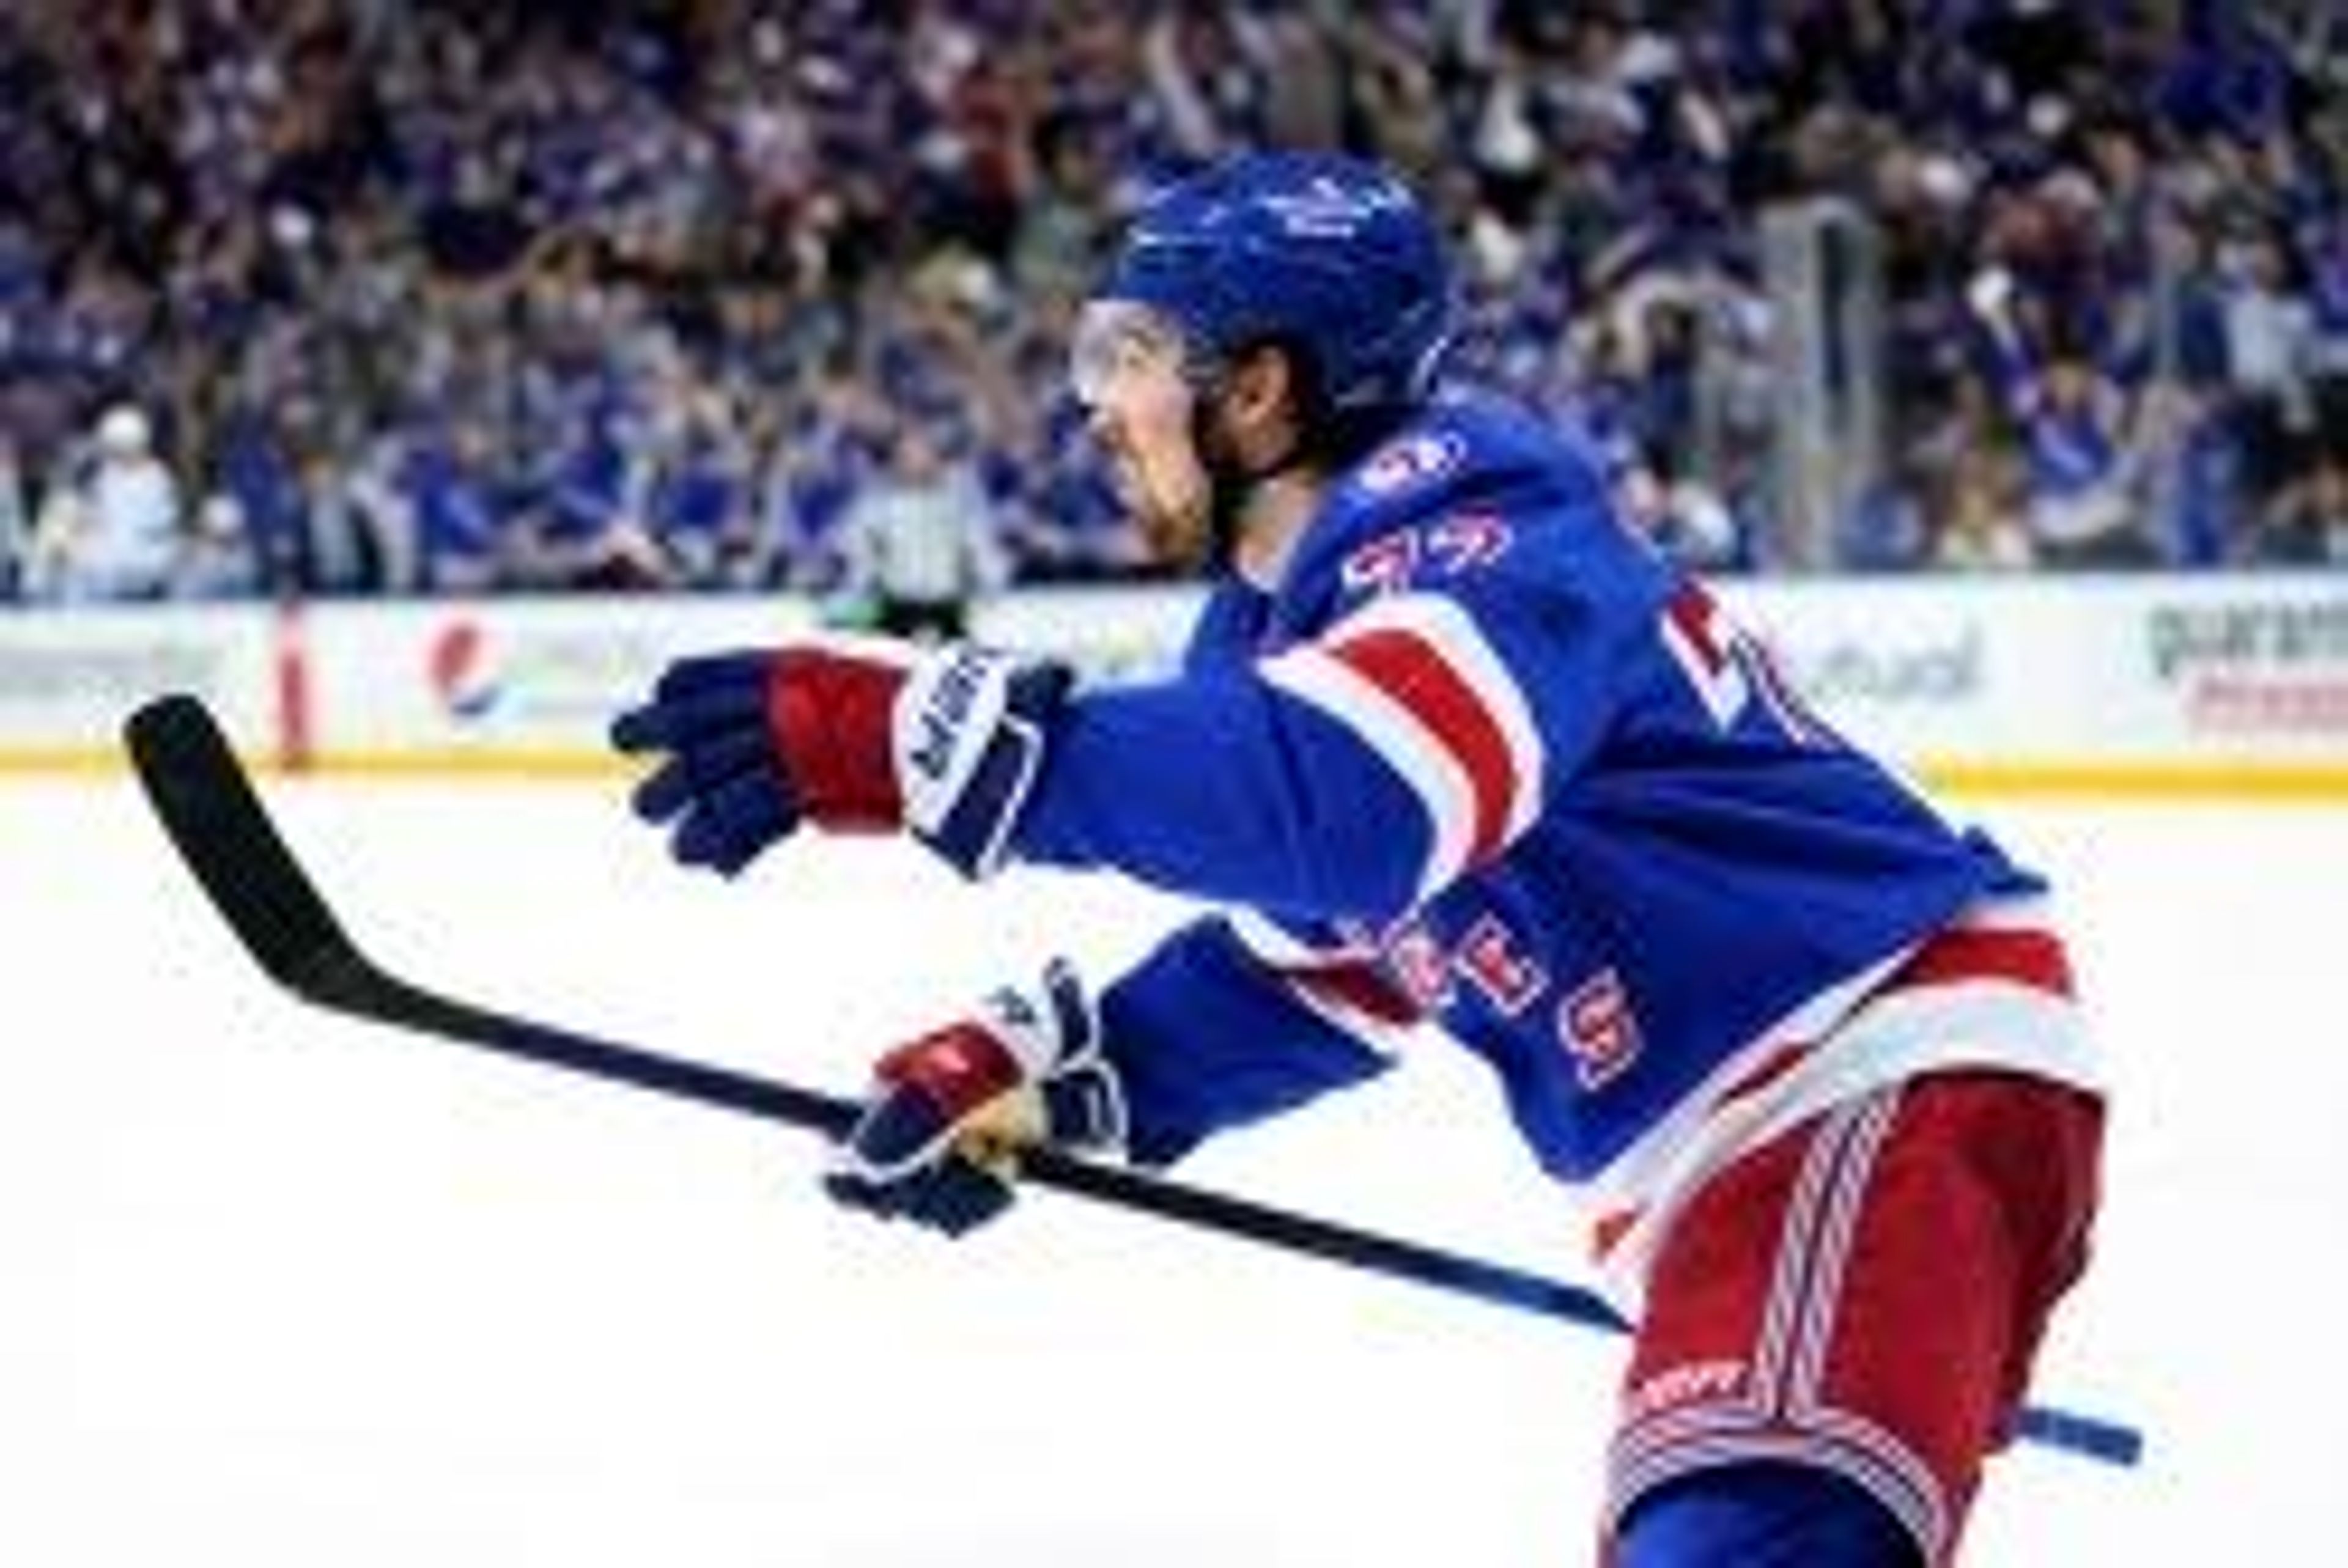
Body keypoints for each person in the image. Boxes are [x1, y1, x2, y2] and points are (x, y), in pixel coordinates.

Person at [610, 152, 2104, 1567]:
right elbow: (1334, 960)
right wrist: (1081, 1068)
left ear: (1255, 389)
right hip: (1771, 1142)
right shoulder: (1287, 631)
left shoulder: (1478, 518)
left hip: (1867, 1076)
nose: (1095, 406)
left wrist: (933, 742)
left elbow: (1360, 798)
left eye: (1126, 354)